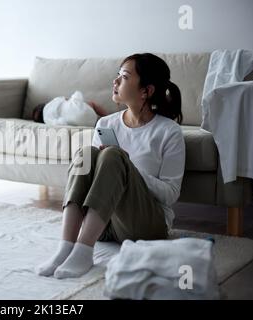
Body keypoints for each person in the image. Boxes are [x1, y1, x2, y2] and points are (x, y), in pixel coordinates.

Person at [35, 53, 186, 279]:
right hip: (106, 225)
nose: (115, 81)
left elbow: (171, 194)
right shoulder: (106, 124)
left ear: (147, 91)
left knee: (114, 155)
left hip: (146, 227)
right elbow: (95, 182)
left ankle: (84, 252)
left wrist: (129, 167)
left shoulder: (168, 131)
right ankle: (66, 248)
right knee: (87, 154)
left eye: (124, 77)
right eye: (117, 75)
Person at [32, 91, 110, 127]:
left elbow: (60, 123)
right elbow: (66, 99)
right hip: (86, 110)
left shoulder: (47, 120)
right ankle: (108, 118)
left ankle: (97, 123)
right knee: (91, 103)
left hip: (85, 124)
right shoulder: (54, 101)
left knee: (74, 119)